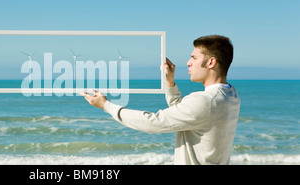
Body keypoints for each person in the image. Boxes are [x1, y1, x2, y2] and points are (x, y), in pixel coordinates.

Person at [81, 35, 240, 165]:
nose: (188, 63)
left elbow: (152, 122)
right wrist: (170, 83)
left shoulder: (206, 101)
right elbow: (187, 113)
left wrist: (106, 105)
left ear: (211, 62)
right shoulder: (230, 95)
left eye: (194, 57)